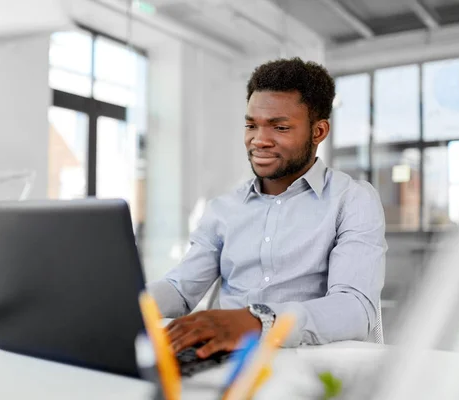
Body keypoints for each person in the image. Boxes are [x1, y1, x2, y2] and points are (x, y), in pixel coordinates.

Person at [148, 57, 387, 359]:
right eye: (251, 125)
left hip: (305, 365)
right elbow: (181, 289)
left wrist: (258, 321)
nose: (259, 140)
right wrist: (132, 304)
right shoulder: (224, 208)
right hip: (222, 358)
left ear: (319, 131)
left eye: (280, 127)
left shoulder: (352, 200)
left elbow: (355, 309)